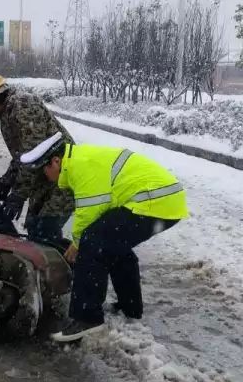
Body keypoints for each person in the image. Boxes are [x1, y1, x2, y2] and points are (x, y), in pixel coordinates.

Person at [20, 133, 188, 342]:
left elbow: (89, 211)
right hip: (161, 199)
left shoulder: (80, 165)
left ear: (55, 161)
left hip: (156, 201)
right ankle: (130, 307)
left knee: (93, 243)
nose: (45, 175)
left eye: (44, 169)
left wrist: (77, 244)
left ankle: (87, 317)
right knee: (113, 244)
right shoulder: (78, 160)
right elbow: (98, 208)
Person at [0, 73, 75, 244]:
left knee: (45, 231)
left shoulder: (22, 106)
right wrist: (6, 181)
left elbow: (35, 156)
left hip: (61, 175)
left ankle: (71, 266)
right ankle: (56, 263)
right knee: (36, 229)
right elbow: (23, 156)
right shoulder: (9, 110)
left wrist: (18, 195)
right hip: (45, 178)